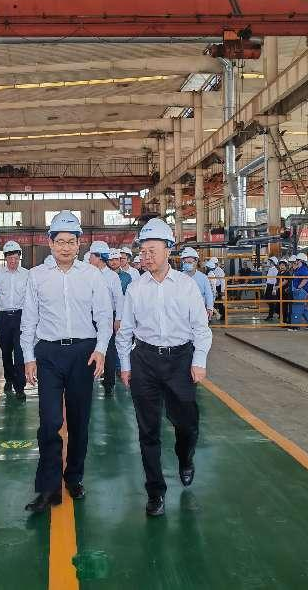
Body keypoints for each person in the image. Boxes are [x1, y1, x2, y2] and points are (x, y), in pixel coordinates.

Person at [115, 218, 212, 517]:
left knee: (186, 423)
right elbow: (125, 331)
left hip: (180, 360)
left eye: (152, 251)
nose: (146, 256)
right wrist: (125, 365)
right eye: (142, 251)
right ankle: (155, 492)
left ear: (168, 250)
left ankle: (185, 457)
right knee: (148, 430)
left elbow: (202, 329)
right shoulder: (135, 288)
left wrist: (199, 361)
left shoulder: (186, 286)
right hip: (145, 360)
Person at [20, 211, 112, 512]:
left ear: (79, 244)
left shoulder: (92, 276)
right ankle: (48, 488)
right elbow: (29, 320)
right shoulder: (36, 276)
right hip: (48, 354)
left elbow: (104, 316)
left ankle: (74, 477)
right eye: (60, 241)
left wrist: (100, 349)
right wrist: (29, 357)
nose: (65, 247)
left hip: (83, 354)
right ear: (50, 243)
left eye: (71, 242)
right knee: (49, 422)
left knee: (79, 420)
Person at [0, 240, 29, 399]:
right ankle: (9, 378)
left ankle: (20, 386)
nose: (13, 261)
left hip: (21, 317)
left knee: (20, 353)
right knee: (6, 352)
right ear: (5, 258)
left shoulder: (27, 274)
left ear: (19, 257)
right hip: (3, 318)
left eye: (16, 258)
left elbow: (30, 298)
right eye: (10, 258)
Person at [88, 241, 124, 396]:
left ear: (99, 257)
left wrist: (118, 319)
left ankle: (109, 383)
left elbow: (119, 299)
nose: (89, 258)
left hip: (109, 317)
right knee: (89, 348)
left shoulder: (112, 277)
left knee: (109, 350)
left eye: (91, 255)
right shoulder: (88, 274)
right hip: (89, 317)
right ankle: (88, 380)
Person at [180, 247, 215, 318]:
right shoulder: (179, 277)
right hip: (182, 313)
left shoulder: (203, 278)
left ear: (196, 261)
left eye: (190, 262)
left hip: (199, 312)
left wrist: (209, 308)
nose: (187, 264)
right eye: (185, 262)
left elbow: (208, 294)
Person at [291, 253, 308, 329]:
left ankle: (295, 326)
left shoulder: (303, 269)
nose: (296, 261)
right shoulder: (299, 269)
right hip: (299, 290)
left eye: (297, 260)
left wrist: (298, 287)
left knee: (297, 307)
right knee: (303, 308)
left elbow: (305, 279)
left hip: (301, 291)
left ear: (301, 260)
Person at [263, 256, 279, 321]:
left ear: (273, 262)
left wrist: (274, 289)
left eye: (269, 261)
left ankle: (271, 315)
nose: (268, 262)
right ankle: (273, 313)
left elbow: (275, 280)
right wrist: (266, 288)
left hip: (272, 286)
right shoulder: (270, 269)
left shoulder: (275, 270)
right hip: (269, 286)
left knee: (271, 302)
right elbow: (268, 280)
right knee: (268, 300)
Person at [277, 258, 293, 328]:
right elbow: (277, 281)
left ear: (286, 266)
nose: (281, 266)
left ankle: (285, 322)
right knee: (279, 307)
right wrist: (276, 288)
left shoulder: (287, 273)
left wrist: (277, 287)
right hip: (279, 291)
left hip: (285, 292)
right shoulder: (279, 273)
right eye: (280, 265)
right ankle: (282, 321)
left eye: (283, 265)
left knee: (285, 307)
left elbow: (285, 281)